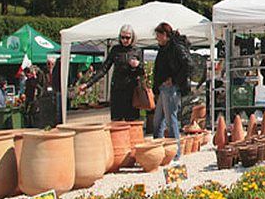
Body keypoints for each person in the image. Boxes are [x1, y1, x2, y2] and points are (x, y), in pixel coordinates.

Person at [77, 25, 144, 121]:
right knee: (116, 120)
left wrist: (137, 65)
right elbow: (104, 69)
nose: (125, 40)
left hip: (131, 90)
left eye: (127, 37)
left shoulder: (137, 51)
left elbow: (142, 72)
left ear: (132, 37)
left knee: (132, 120)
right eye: (122, 37)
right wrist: (88, 84)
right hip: (117, 89)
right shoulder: (115, 50)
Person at [152, 22, 191, 158]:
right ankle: (157, 150)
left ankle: (175, 153)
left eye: (158, 35)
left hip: (171, 88)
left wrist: (174, 80)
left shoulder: (175, 47)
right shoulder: (164, 48)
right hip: (163, 88)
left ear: (165, 35)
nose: (156, 37)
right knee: (158, 121)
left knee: (170, 120)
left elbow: (188, 64)